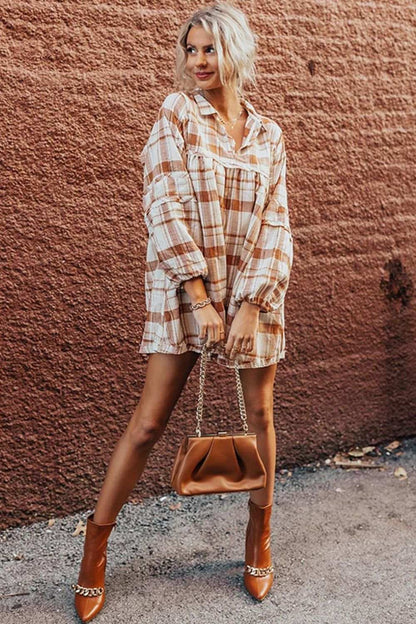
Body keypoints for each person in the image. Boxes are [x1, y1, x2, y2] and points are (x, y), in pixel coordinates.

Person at [71, 2, 293, 621]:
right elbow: (162, 203)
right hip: (181, 289)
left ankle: (259, 535)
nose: (198, 61)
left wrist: (248, 304)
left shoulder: (270, 135)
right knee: (147, 423)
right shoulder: (176, 116)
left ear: (236, 52)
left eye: (210, 49)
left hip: (254, 293)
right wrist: (200, 297)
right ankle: (95, 543)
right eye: (190, 50)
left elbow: (277, 223)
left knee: (260, 416)